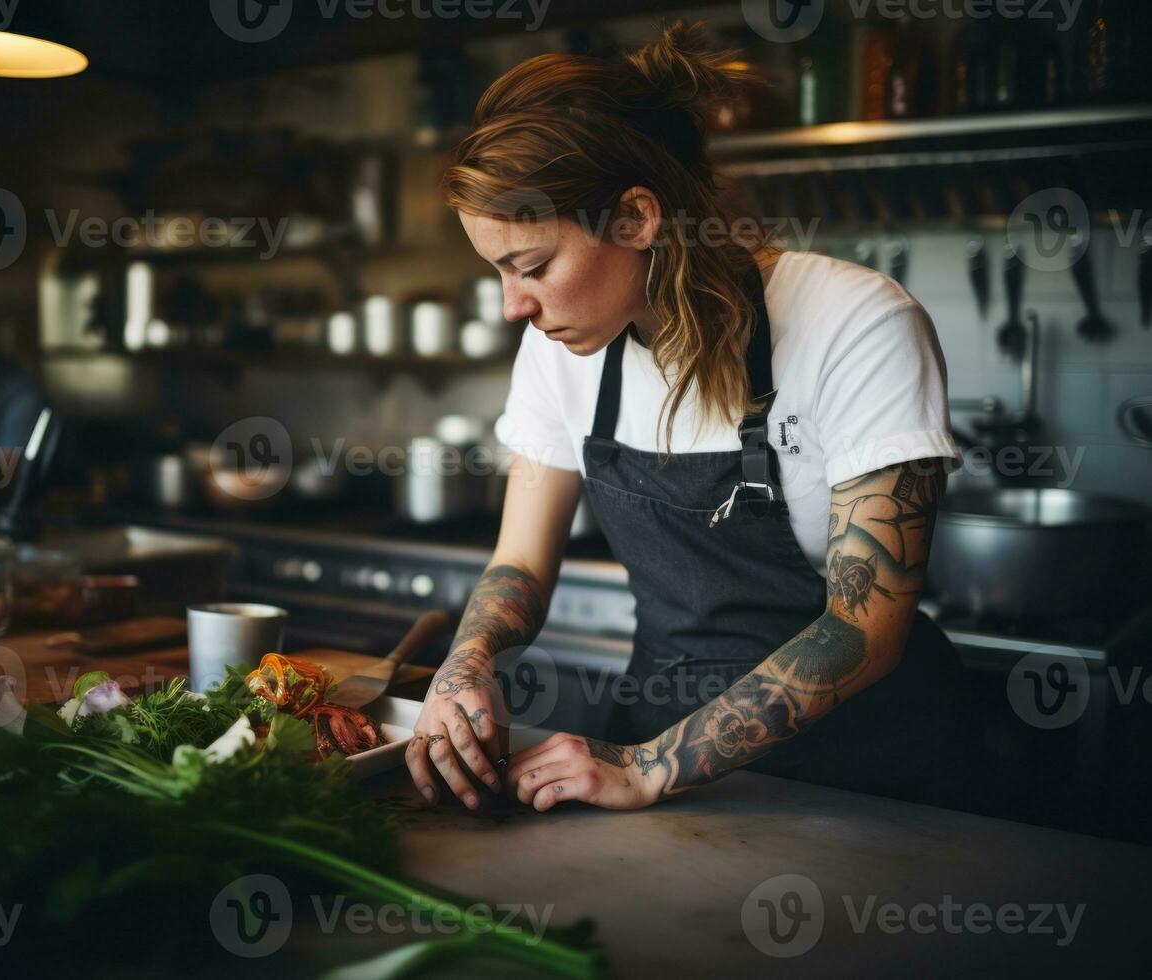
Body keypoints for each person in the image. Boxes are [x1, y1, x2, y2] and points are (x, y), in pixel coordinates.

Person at [405, 22, 971, 813]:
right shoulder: (560, 346)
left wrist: (650, 768)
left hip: (868, 782)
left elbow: (863, 627)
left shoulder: (855, 323)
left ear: (636, 218)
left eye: (531, 267)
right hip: (657, 760)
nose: (513, 307)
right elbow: (519, 566)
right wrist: (466, 662)